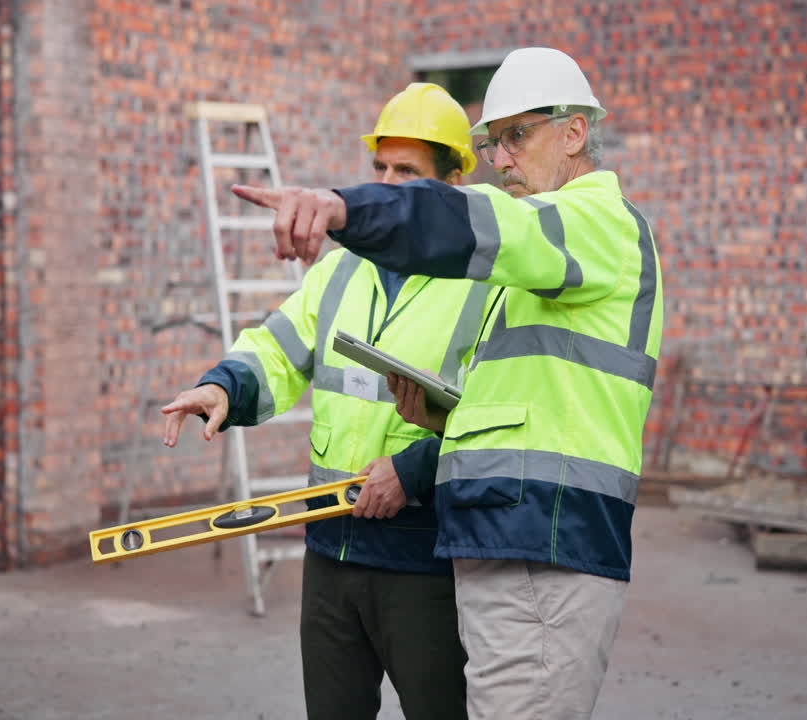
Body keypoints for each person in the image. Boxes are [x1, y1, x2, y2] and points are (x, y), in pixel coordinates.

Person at [233, 47, 664, 720]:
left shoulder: (593, 224)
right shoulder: (535, 271)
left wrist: (345, 209)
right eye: (495, 144)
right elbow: (522, 407)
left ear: (575, 132)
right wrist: (442, 422)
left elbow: (490, 224)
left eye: (518, 135)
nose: (505, 159)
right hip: (503, 542)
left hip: (545, 543)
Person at [162, 83, 488, 720]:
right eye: (381, 169)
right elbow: (279, 348)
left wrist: (416, 471)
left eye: (409, 174)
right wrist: (223, 385)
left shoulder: (485, 285)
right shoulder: (342, 269)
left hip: (427, 559)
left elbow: (495, 413)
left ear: (451, 187)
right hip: (331, 553)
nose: (388, 185)